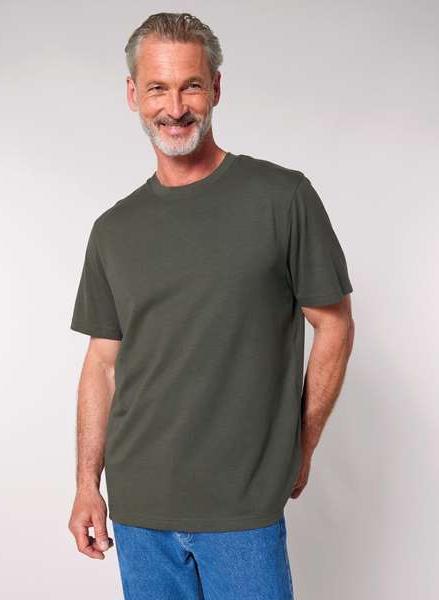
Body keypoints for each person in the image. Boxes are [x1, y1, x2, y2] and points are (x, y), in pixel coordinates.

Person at [68, 11, 355, 600]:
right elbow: (101, 363)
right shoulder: (113, 229)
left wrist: (302, 443)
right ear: (133, 95)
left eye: (191, 86)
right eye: (157, 88)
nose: (175, 107)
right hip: (139, 509)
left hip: (242, 509)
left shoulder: (282, 197)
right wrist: (86, 484)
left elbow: (334, 326)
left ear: (216, 88)